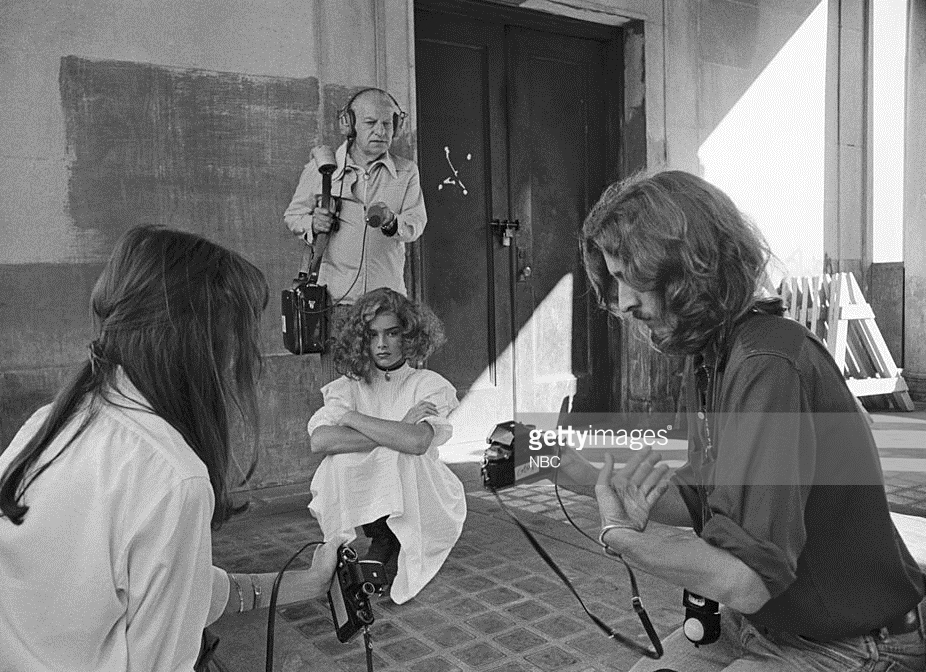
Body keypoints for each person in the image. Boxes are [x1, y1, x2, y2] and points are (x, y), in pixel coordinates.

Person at [0, 226, 340, 672]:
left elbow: (146, 584)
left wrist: (307, 583)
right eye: (242, 334)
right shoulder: (173, 478)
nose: (246, 356)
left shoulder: (54, 419)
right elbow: (160, 660)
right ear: (203, 344)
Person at [555, 171, 925, 671]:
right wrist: (577, 473)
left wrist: (625, 541)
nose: (623, 303)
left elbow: (747, 581)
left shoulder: (768, 362)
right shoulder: (710, 354)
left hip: (853, 640)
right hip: (764, 623)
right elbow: (699, 496)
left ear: (689, 267)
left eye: (629, 277)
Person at [307, 288, 465, 604]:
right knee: (339, 460)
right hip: (381, 483)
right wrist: (400, 425)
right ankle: (379, 539)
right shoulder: (348, 387)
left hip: (423, 488)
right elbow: (321, 441)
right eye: (372, 335)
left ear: (409, 336)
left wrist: (352, 419)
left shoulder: (429, 384)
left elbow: (417, 442)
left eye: (392, 333)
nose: (382, 344)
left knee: (401, 456)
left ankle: (397, 541)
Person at [283, 88, 427, 306]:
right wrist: (312, 224)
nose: (380, 131)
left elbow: (416, 223)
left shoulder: (407, 172)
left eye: (387, 124)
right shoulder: (321, 169)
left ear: (396, 126)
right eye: (370, 123)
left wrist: (392, 222)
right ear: (350, 125)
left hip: (386, 303)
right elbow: (293, 216)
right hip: (334, 302)